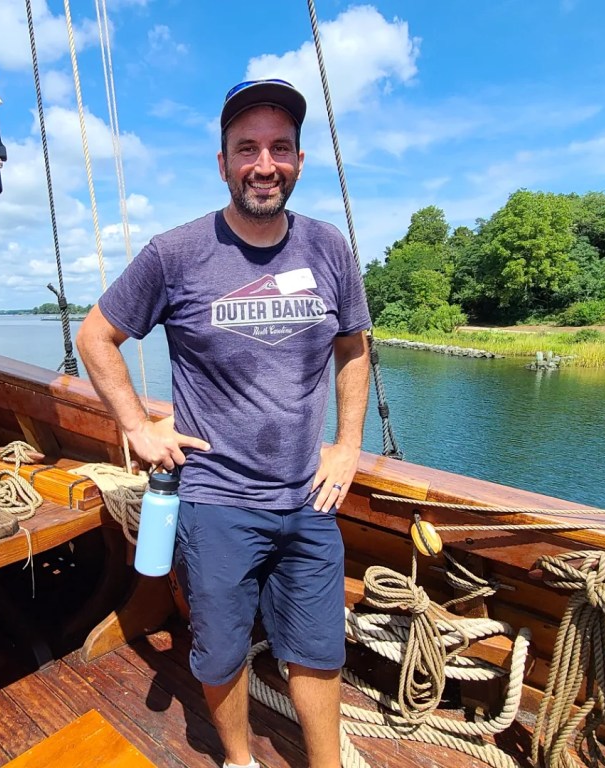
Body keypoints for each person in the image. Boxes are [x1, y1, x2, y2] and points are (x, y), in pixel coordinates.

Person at [76, 78, 371, 768]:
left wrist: (348, 445)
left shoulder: (329, 248)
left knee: (319, 650)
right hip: (214, 501)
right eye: (247, 148)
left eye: (280, 148)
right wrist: (138, 426)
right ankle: (239, 759)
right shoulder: (175, 253)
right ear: (222, 163)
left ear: (299, 161)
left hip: (308, 496)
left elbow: (354, 348)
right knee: (221, 651)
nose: (264, 164)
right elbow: (95, 337)